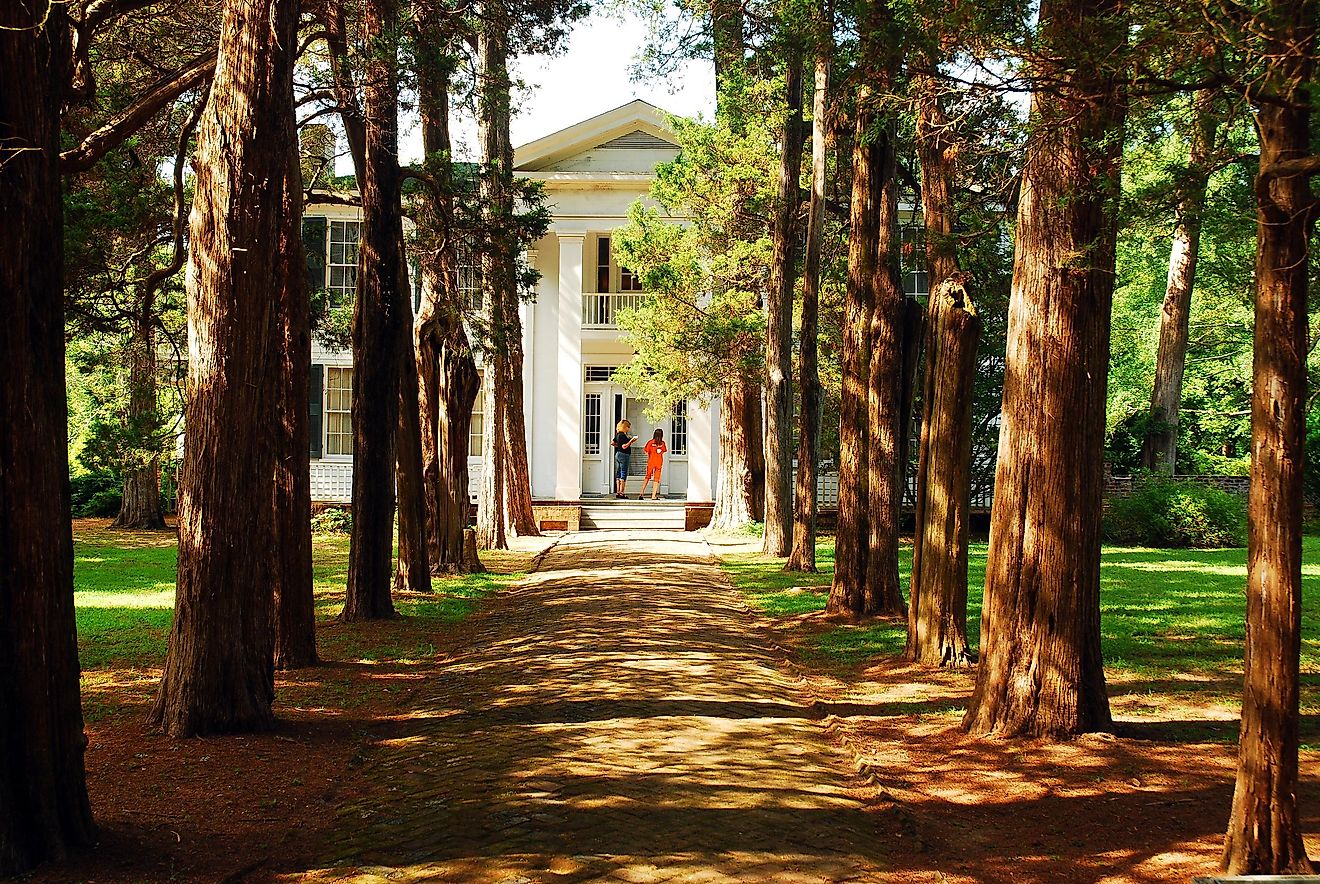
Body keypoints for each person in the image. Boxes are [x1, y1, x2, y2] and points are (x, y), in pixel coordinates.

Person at [611, 420, 636, 498]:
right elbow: (624, 446)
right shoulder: (623, 436)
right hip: (624, 455)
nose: (628, 429)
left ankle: (618, 492)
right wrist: (631, 441)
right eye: (628, 427)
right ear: (624, 427)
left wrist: (618, 446)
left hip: (618, 454)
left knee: (618, 472)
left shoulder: (617, 435)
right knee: (623, 472)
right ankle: (622, 492)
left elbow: (612, 443)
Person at [639, 428, 667, 500]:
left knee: (647, 477)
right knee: (656, 479)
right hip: (659, 462)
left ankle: (641, 492)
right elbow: (664, 450)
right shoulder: (662, 443)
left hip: (651, 461)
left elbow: (646, 451)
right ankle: (653, 495)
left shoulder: (650, 442)